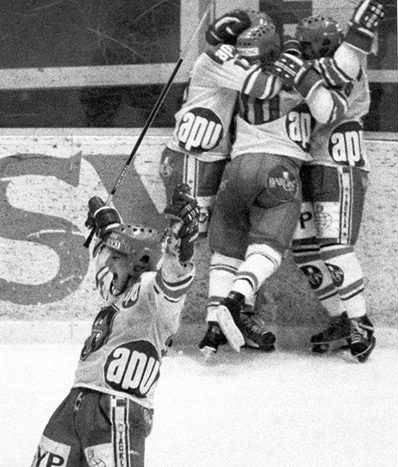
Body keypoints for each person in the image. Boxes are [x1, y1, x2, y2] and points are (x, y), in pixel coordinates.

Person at [199, 21, 354, 356]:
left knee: (226, 251)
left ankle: (213, 327)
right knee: (267, 248)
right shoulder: (307, 73)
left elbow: (221, 70)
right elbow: (330, 109)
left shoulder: (243, 74)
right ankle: (236, 299)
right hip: (279, 170)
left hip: (236, 170)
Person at [31, 184, 199, 467]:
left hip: (118, 410)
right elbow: (112, 253)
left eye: (115, 258)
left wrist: (181, 244)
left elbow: (175, 276)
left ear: (137, 264)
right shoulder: (116, 291)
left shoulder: (151, 293)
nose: (107, 263)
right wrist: (106, 224)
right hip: (74, 405)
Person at [289, 0, 385, 362]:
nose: (301, 50)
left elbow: (332, 76)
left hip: (339, 162)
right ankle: (341, 318)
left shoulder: (347, 61)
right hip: (309, 163)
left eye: (307, 45)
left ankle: (361, 322)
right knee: (304, 249)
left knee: (334, 247)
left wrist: (359, 33)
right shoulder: (318, 66)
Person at [159, 9, 281, 236]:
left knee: (201, 236)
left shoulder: (230, 58)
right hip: (194, 158)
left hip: (209, 158)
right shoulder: (221, 55)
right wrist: (290, 59)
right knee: (187, 236)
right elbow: (265, 87)